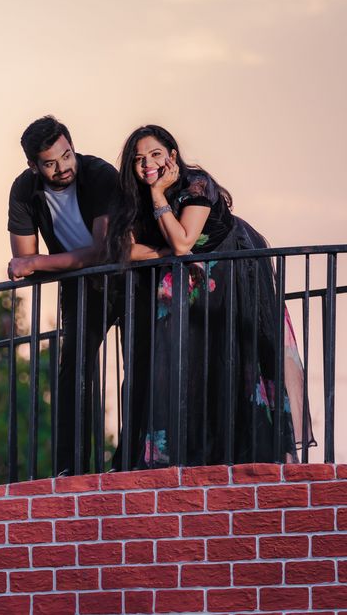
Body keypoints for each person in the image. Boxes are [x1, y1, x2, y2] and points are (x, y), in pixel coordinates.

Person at [103, 124, 312, 467]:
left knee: (242, 355)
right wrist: (168, 251)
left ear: (172, 155)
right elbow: (123, 249)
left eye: (155, 154)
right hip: (191, 277)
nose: (147, 164)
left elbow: (184, 240)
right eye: (139, 159)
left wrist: (159, 197)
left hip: (233, 268)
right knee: (187, 360)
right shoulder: (131, 197)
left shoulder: (196, 183)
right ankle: (192, 453)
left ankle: (268, 451)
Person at [7, 115, 121, 476]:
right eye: (50, 163)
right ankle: (70, 469)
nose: (62, 168)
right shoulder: (24, 190)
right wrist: (34, 262)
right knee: (72, 369)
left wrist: (40, 260)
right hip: (79, 288)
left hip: (126, 278)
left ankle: (136, 459)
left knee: (142, 362)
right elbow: (22, 260)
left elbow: (104, 251)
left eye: (67, 155)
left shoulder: (100, 174)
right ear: (33, 165)